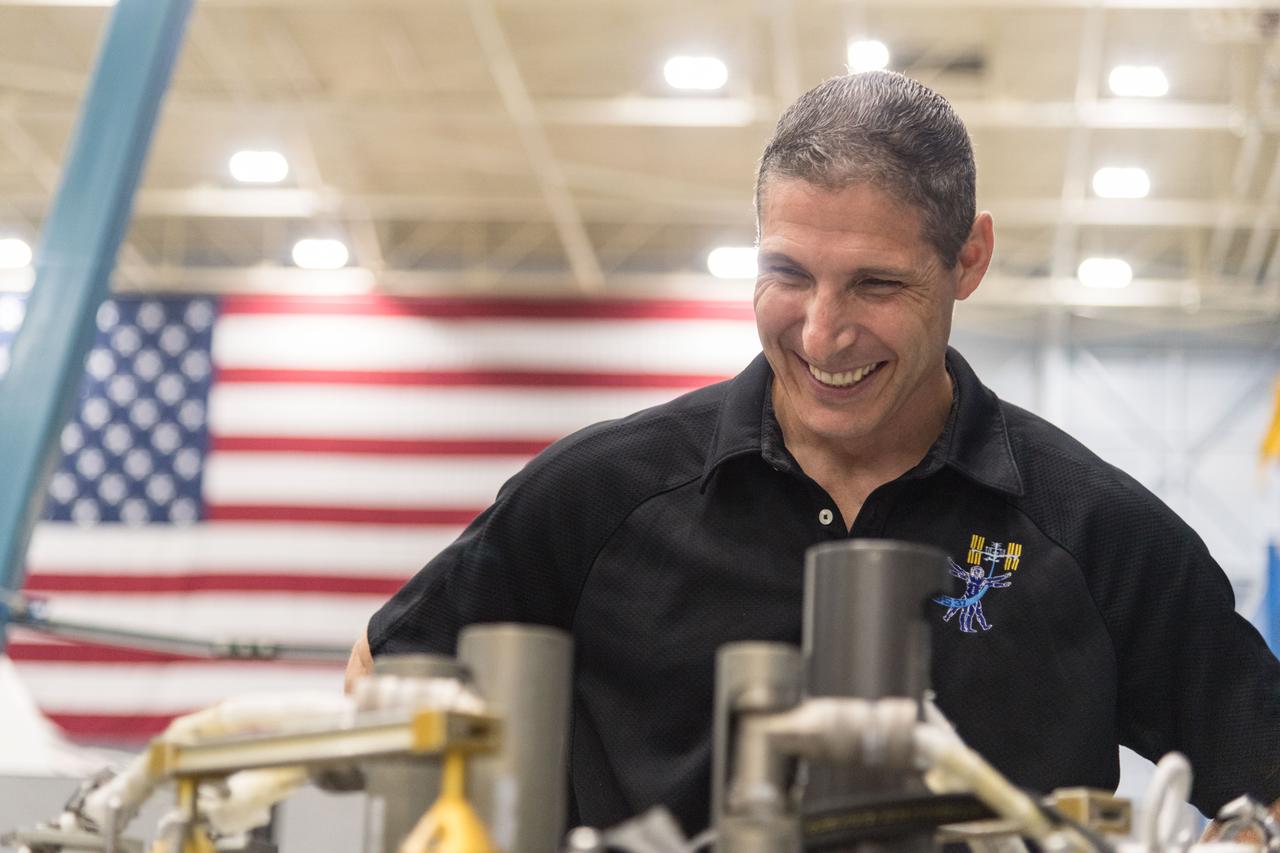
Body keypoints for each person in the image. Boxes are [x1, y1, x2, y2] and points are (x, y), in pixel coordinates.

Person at [347, 70, 1280, 836]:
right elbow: (383, 675)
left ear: (969, 259)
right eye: (787, 274)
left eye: (876, 283)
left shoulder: (1092, 531)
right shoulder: (597, 499)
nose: (824, 334)